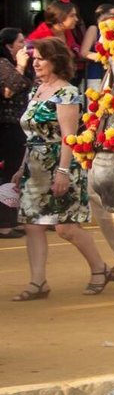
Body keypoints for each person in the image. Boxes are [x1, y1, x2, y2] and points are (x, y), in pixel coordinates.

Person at [7, 37, 109, 300]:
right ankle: (38, 282)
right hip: (34, 166)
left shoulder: (68, 93)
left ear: (56, 61)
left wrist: (62, 172)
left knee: (66, 227)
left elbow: (68, 136)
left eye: (41, 58)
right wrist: (21, 168)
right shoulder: (35, 90)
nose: (35, 62)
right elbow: (31, 134)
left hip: (61, 163)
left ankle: (99, 267)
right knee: (32, 225)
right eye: (35, 58)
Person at [0, 28, 31, 239]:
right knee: (8, 174)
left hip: (15, 127)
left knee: (12, 173)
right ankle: (5, 223)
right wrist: (20, 65)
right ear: (9, 46)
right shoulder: (3, 64)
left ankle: (10, 219)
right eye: (20, 42)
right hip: (7, 127)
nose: (24, 45)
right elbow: (8, 91)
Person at [26, 0, 81, 77]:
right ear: (60, 17)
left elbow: (74, 48)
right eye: (72, 16)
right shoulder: (40, 36)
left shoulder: (67, 31)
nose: (76, 19)